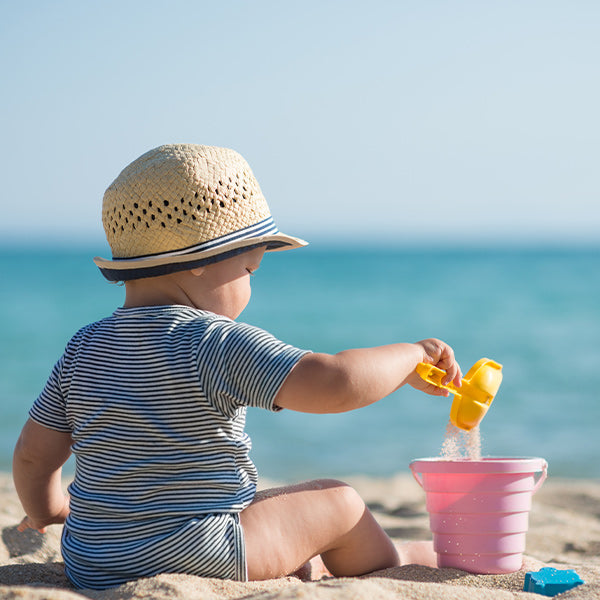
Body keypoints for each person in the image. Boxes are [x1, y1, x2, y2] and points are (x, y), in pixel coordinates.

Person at [13, 144, 462, 590]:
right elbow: (335, 382)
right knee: (338, 501)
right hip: (203, 551)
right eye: (249, 268)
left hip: (92, 559)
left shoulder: (84, 347)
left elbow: (34, 455)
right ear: (197, 263)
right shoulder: (211, 340)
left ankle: (304, 560)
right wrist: (412, 357)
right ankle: (392, 559)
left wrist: (48, 510)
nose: (250, 285)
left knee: (271, 510)